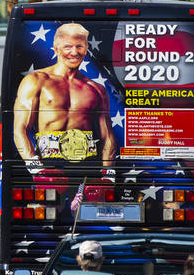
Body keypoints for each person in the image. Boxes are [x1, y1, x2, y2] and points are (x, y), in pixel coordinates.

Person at [13, 23, 117, 174]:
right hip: (47, 164)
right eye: (68, 46)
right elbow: (20, 129)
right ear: (56, 49)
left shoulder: (96, 89)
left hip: (87, 167)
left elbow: (107, 136)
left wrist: (108, 174)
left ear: (86, 49)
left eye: (79, 46)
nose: (74, 52)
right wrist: (35, 167)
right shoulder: (36, 80)